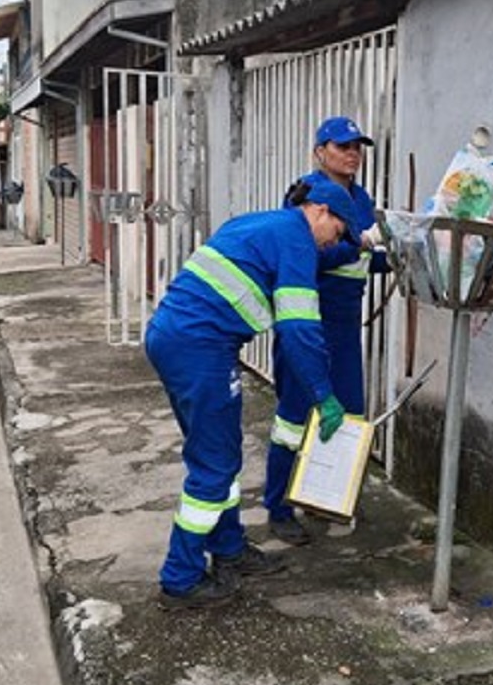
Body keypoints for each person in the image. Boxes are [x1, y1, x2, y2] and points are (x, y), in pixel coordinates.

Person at [145, 180, 359, 610]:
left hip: (181, 338)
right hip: (200, 348)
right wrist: (323, 394)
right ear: (320, 212)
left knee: (220, 453)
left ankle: (227, 549)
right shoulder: (296, 240)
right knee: (215, 465)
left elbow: (317, 263)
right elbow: (299, 327)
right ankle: (180, 579)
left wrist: (365, 250)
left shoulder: (267, 224)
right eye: (338, 231)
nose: (334, 242)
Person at [265, 115, 389, 545]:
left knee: (349, 413)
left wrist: (393, 255)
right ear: (320, 152)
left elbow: (362, 258)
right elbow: (307, 256)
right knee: (294, 418)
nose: (352, 153)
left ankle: (330, 499)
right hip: (307, 321)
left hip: (345, 323)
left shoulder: (363, 199)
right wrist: (359, 245)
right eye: (342, 146)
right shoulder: (306, 196)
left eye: (357, 146)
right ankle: (279, 507)